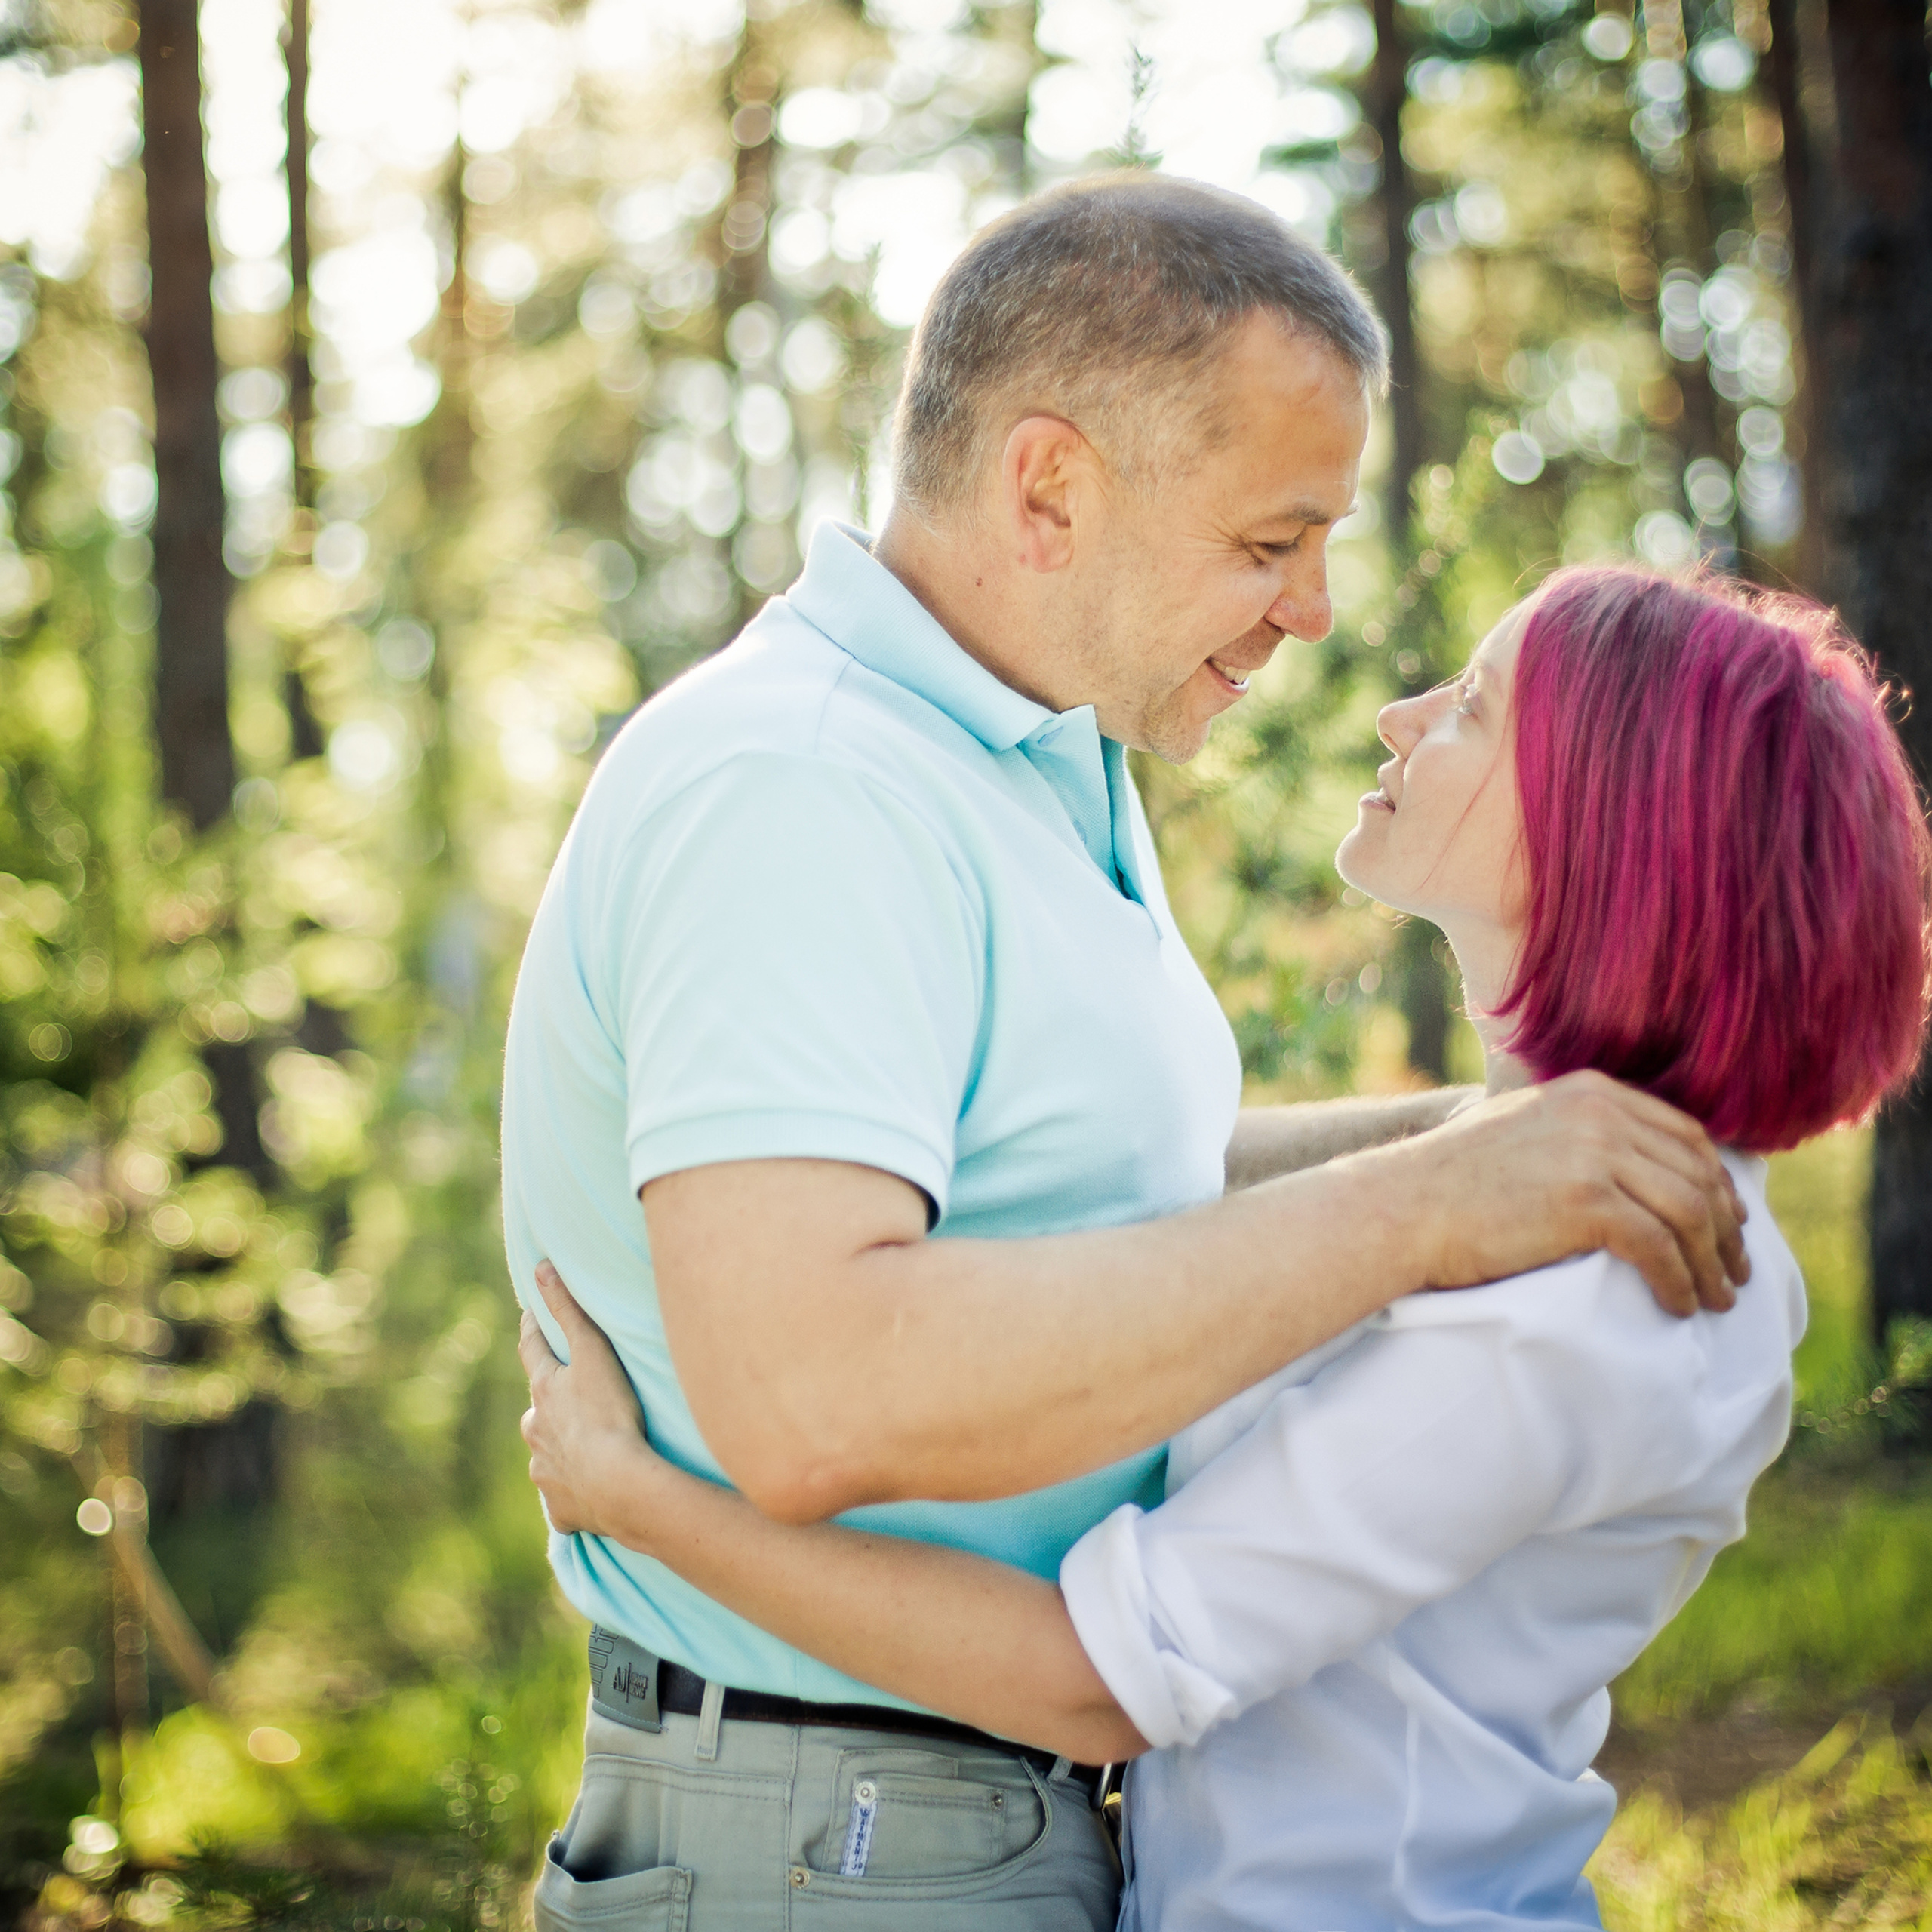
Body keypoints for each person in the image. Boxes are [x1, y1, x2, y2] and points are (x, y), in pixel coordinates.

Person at [499, 175, 1747, 1930]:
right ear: (1049, 487)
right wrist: (1430, 1208)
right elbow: (809, 1396)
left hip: (978, 1807)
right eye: (1266, 541)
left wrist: (1506, 1137)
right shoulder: (799, 787)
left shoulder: (1024, 762)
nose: (1313, 610)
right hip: (833, 1839)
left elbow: (1106, 1203)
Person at [521, 565, 1932, 1930]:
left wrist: (641, 1500)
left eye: (1477, 707)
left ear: (1617, 831)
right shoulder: (1561, 1189)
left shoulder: (1575, 1302)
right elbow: (1214, 1201)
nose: (1400, 716)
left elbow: (1098, 1682)